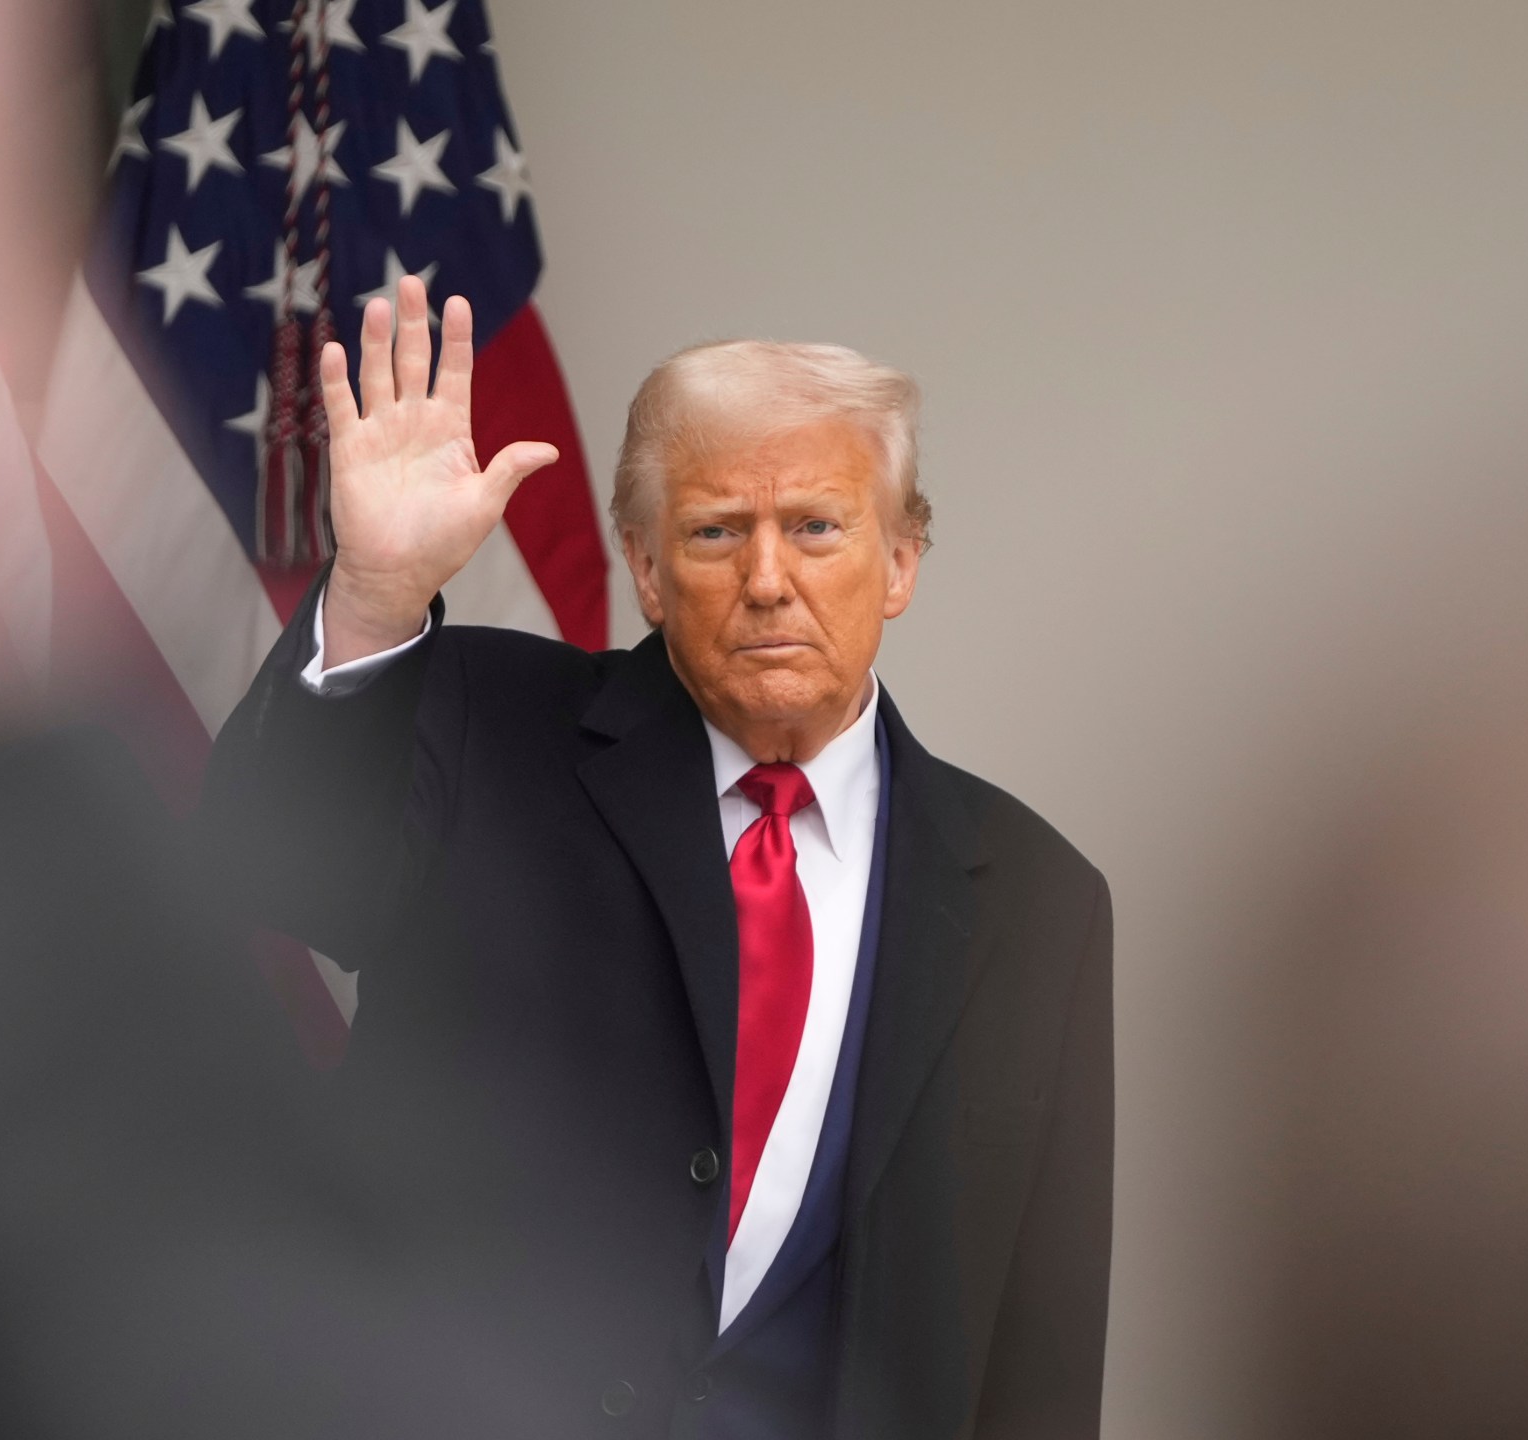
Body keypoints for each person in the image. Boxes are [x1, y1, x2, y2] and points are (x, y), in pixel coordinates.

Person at [200, 277, 1112, 1439]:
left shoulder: (1035, 900)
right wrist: (377, 597)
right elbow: (267, 872)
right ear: (643, 568)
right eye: (716, 531)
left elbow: (1037, 1354)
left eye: (817, 528)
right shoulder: (484, 720)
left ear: (901, 561)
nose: (767, 578)